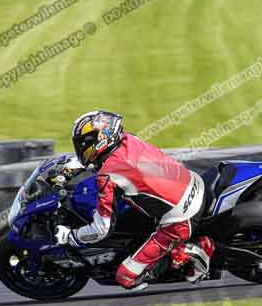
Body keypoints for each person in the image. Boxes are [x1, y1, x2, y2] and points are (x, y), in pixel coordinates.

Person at [55, 110, 214, 290]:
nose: (82, 147)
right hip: (193, 182)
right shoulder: (129, 140)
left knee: (125, 278)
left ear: (100, 138)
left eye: (85, 143)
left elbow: (101, 229)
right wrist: (69, 168)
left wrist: (72, 236)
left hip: (180, 220)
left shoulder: (108, 175)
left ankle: (192, 252)